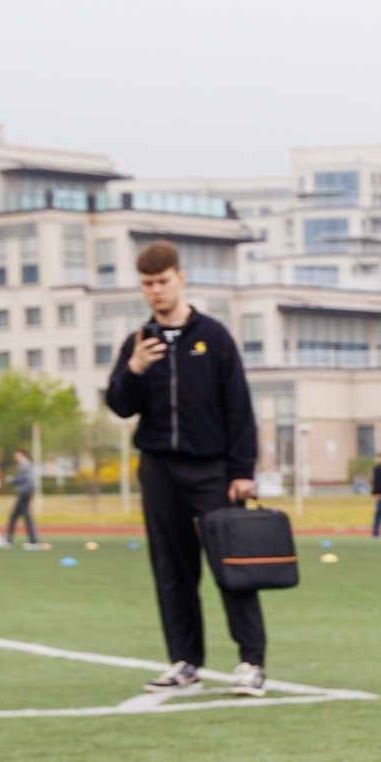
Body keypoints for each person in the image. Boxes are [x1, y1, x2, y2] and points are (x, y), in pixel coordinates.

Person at [103, 239, 268, 698]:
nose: (155, 291)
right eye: (147, 285)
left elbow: (239, 408)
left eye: (162, 281)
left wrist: (242, 469)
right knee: (172, 571)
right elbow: (118, 405)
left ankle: (251, 663)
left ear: (180, 278)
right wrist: (132, 370)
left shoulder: (213, 337)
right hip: (158, 469)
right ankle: (185, 664)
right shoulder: (138, 343)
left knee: (230, 568)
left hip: (211, 470)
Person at [6, 447, 41, 548]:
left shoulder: (25, 465)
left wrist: (12, 480)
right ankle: (9, 540)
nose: (15, 457)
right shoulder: (25, 464)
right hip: (24, 492)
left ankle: (33, 541)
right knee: (15, 516)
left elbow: (23, 479)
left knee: (26, 517)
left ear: (21, 454)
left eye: (16, 454)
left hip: (24, 493)